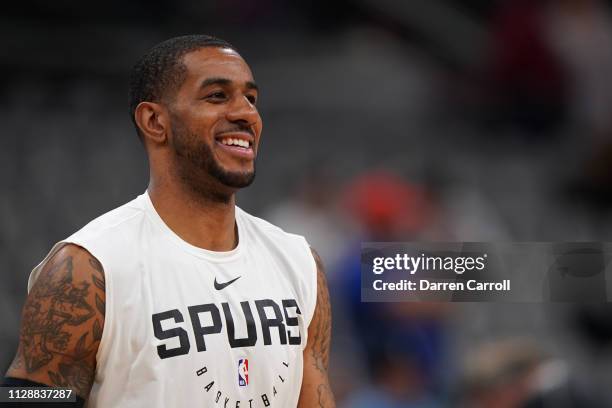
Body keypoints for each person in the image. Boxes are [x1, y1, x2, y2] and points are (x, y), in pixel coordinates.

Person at [2, 35, 335, 408]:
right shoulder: (87, 269)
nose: (247, 114)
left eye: (251, 98)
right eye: (217, 96)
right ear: (155, 120)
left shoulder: (299, 261)